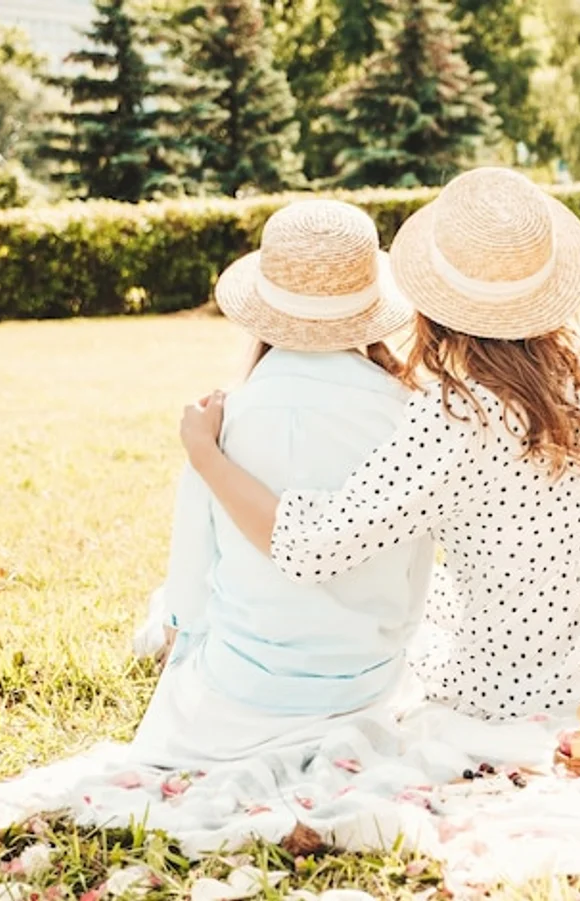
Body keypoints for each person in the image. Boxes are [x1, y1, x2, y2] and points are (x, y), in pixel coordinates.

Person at [179, 167, 580, 721]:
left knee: (399, 628)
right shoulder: (566, 382)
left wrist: (206, 454)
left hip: (517, 681)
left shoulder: (455, 415)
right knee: (428, 589)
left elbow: (312, 548)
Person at [131, 199, 434, 767]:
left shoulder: (223, 420)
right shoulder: (409, 415)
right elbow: (414, 583)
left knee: (178, 615)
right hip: (366, 681)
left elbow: (191, 586)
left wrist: (180, 638)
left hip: (244, 687)